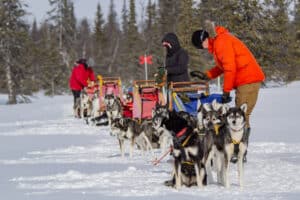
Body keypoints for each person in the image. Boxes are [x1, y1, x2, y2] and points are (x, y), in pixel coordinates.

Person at [191, 26, 265, 162]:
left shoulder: (221, 43)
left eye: (200, 46)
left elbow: (230, 69)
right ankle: (238, 150)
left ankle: (239, 152)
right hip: (246, 80)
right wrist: (206, 75)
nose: (203, 49)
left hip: (247, 79)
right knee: (243, 115)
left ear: (203, 41)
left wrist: (226, 91)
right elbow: (223, 67)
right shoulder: (219, 43)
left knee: (242, 115)